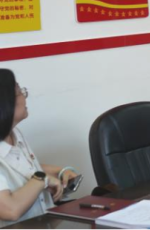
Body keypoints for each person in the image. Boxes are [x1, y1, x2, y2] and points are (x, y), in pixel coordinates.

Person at [0, 69, 80, 226]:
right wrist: (42, 179)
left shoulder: (15, 133)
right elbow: (10, 210)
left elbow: (22, 166)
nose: (25, 96)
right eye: (20, 92)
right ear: (5, 103)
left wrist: (60, 172)